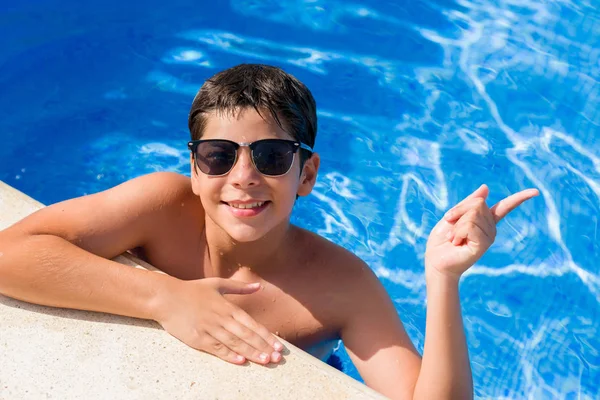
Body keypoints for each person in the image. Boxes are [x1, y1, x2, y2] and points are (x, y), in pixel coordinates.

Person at [0, 63, 538, 399]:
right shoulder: (162, 204)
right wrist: (165, 297)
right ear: (194, 168)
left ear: (306, 174)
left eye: (271, 155)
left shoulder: (341, 284)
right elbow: (12, 254)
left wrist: (442, 279)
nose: (243, 177)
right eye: (218, 156)